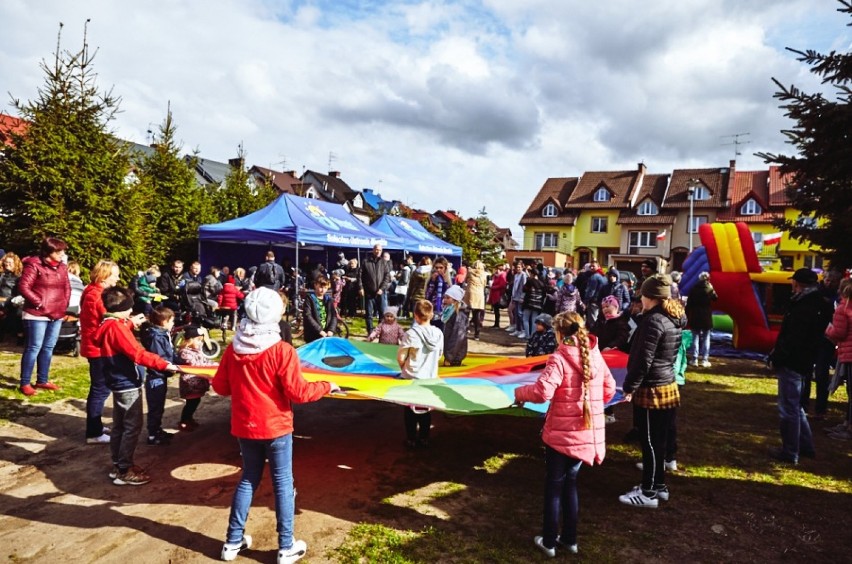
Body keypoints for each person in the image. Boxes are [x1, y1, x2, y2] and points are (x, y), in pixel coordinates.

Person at [212, 287, 339, 563]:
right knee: (283, 483)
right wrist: (327, 385)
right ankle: (286, 545)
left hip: (245, 426)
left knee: (248, 478)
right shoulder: (282, 351)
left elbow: (220, 387)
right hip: (276, 427)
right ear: (274, 316)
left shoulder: (233, 349)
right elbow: (299, 392)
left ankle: (232, 542)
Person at [514, 311, 616, 557]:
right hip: (584, 432)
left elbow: (541, 392)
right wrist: (590, 403)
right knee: (570, 484)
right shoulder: (595, 355)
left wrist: (519, 393)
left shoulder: (559, 358)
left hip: (561, 436)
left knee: (554, 486)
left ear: (559, 333)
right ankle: (570, 539)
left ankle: (549, 541)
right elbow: (610, 389)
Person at [94, 287, 179, 485]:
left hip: (118, 380)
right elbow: (137, 354)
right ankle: (125, 469)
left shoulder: (109, 324)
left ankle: (118, 464)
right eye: (129, 309)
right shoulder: (117, 328)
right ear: (124, 308)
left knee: (120, 425)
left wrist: (130, 324)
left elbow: (119, 335)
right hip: (126, 382)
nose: (131, 313)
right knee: (132, 426)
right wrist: (164, 364)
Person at [618, 274, 686, 508]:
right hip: (667, 384)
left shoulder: (652, 321)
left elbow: (642, 360)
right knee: (659, 440)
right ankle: (658, 486)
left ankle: (648, 493)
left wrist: (629, 386)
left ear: (652, 297)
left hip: (652, 388)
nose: (640, 300)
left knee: (649, 442)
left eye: (643, 296)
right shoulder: (673, 317)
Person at [767, 268, 833, 464]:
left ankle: (790, 451)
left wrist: (777, 357)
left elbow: (793, 337)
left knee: (788, 408)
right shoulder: (820, 303)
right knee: (796, 407)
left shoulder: (803, 305)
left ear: (798, 284)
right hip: (805, 359)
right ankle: (805, 446)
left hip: (793, 360)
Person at [18, 237, 71, 396]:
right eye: (59, 250)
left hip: (57, 313)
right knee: (34, 348)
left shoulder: (62, 267)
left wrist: (64, 302)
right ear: (49, 251)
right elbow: (24, 286)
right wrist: (39, 303)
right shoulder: (34, 264)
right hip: (36, 314)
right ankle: (25, 382)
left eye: (63, 250)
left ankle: (42, 380)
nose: (62, 254)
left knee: (48, 348)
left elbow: (66, 286)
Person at [80, 260, 121, 443]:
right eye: (115, 275)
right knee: (100, 389)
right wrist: (128, 321)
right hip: (97, 348)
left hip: (96, 345)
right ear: (104, 276)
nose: (118, 278)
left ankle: (95, 427)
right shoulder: (96, 296)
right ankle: (94, 433)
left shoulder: (92, 292)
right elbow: (108, 320)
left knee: (100, 389)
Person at [398, 299, 444, 448]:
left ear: (415, 315)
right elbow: (439, 355)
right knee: (425, 409)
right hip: (429, 377)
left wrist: (403, 367)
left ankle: (411, 439)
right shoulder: (438, 333)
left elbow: (401, 356)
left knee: (410, 410)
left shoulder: (411, 334)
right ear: (431, 315)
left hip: (411, 376)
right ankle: (424, 438)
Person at [142, 306, 178, 446]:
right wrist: (169, 367)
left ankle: (157, 430)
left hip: (160, 376)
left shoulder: (162, 334)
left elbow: (169, 353)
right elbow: (159, 358)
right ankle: (152, 435)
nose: (173, 324)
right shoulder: (157, 337)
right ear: (164, 322)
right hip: (155, 377)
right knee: (155, 407)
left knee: (159, 406)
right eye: (172, 321)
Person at [824, 278, 852, 440]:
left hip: (849, 355)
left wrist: (828, 329)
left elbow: (839, 333)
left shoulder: (843, 308)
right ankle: (846, 423)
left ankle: (848, 427)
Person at [177, 325, 217, 432]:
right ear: (190, 340)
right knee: (190, 404)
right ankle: (184, 421)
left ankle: (189, 419)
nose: (200, 343)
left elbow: (204, 362)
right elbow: (195, 365)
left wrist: (215, 365)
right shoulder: (185, 353)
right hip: (190, 383)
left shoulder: (197, 351)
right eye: (198, 340)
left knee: (195, 402)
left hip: (197, 383)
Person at [685, 271, 718, 368]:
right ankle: (704, 359)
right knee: (706, 338)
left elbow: (689, 303)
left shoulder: (694, 288)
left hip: (695, 315)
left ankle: (694, 359)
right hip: (706, 316)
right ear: (708, 279)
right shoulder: (709, 288)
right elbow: (715, 298)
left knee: (695, 337)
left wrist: (687, 314)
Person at [359, 244, 392, 335]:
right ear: (373, 250)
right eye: (376, 249)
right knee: (369, 313)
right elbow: (360, 276)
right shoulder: (366, 262)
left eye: (380, 250)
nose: (378, 251)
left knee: (382, 313)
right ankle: (370, 331)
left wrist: (382, 288)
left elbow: (387, 277)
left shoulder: (384, 263)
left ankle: (379, 330)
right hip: (369, 291)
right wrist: (361, 287)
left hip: (381, 292)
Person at [301, 275, 337, 343]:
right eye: (321, 287)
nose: (323, 290)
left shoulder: (329, 300)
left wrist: (331, 329)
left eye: (325, 288)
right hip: (313, 335)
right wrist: (319, 330)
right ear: (315, 285)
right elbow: (308, 316)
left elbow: (334, 316)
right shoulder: (310, 298)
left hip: (327, 334)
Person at [441, 285, 469, 366]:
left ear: (454, 300)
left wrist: (449, 357)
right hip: (450, 353)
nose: (444, 300)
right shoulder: (449, 311)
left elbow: (457, 337)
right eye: (444, 297)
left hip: (455, 356)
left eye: (448, 298)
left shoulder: (459, 315)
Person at [0, 252, 23, 343]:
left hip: (11, 301)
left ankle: (19, 335)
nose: (7, 264)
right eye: (6, 262)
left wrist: (6, 300)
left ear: (15, 264)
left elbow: (19, 295)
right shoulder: (2, 275)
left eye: (10, 263)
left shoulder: (19, 277)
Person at [463, 260, 488, 340]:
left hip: (470, 293)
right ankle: (477, 334)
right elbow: (484, 284)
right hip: (479, 294)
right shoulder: (484, 274)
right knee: (477, 315)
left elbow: (465, 280)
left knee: (466, 313)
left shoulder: (469, 272)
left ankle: (465, 330)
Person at [425, 257, 451, 329]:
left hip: (443, 311)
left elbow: (449, 296)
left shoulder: (448, 281)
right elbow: (427, 296)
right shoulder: (430, 280)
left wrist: (445, 282)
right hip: (431, 310)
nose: (438, 270)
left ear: (445, 269)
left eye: (441, 267)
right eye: (436, 267)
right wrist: (432, 281)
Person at [521, 266, 546, 340]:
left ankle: (527, 335)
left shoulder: (529, 281)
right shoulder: (542, 283)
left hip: (528, 303)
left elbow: (524, 289)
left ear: (532, 274)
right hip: (537, 305)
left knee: (525, 319)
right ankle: (533, 336)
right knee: (534, 320)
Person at [508, 262, 528, 337]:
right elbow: (515, 287)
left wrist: (522, 297)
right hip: (515, 296)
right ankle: (517, 329)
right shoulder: (516, 275)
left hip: (520, 297)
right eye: (517, 267)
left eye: (520, 267)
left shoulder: (523, 275)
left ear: (522, 268)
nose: (518, 269)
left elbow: (524, 287)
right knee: (516, 313)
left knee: (520, 314)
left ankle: (523, 330)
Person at [487, 264, 508, 328]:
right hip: (494, 294)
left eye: (499, 269)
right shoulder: (496, 276)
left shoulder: (502, 276)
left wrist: (493, 287)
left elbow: (502, 285)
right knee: (495, 310)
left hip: (498, 295)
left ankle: (497, 324)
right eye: (497, 269)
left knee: (497, 310)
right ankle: (496, 323)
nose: (497, 271)